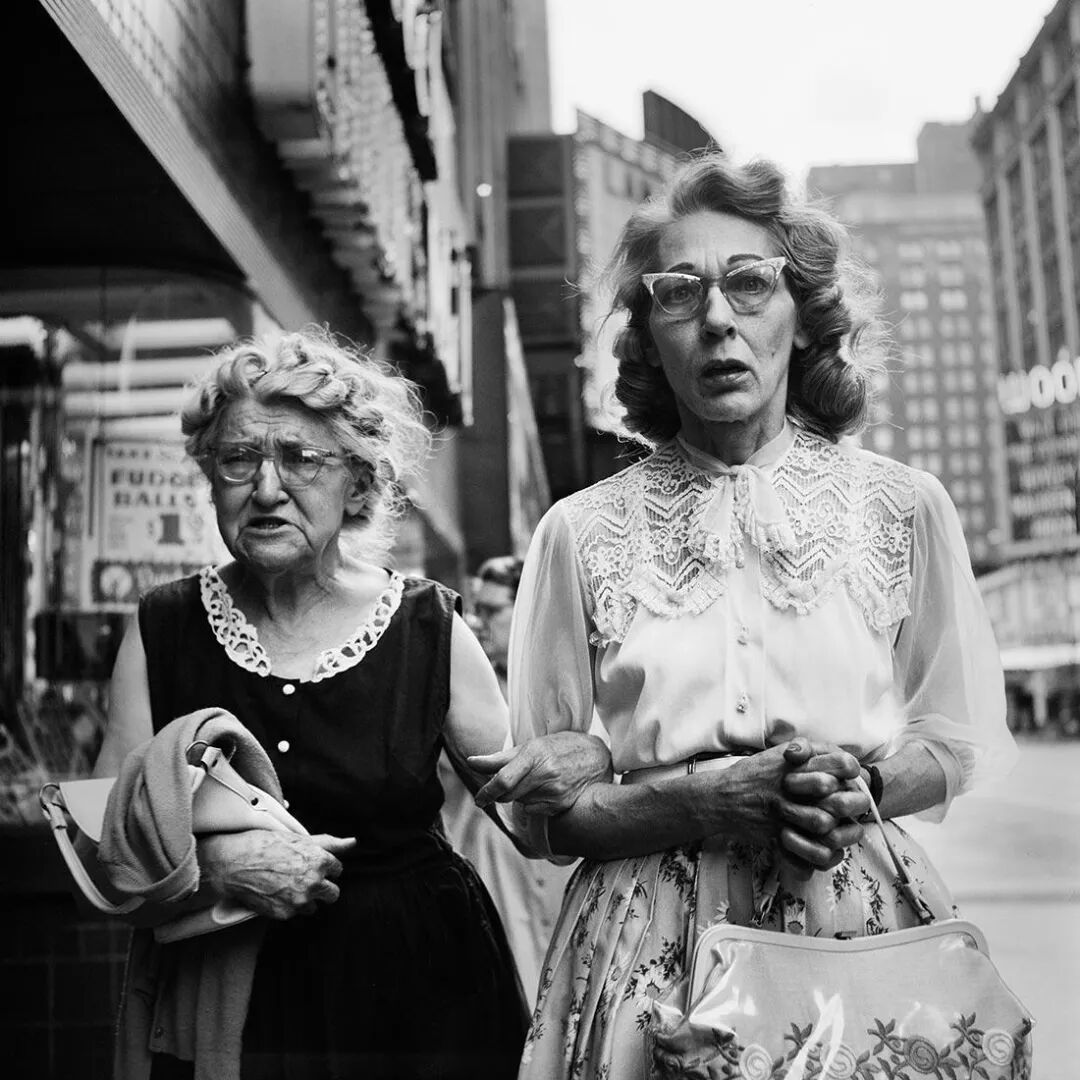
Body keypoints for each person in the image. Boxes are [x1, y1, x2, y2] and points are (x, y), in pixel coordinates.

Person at [476, 154, 1018, 1079]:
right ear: (648, 336)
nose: (718, 318)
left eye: (750, 283)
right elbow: (545, 820)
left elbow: (955, 740)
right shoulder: (579, 531)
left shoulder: (901, 506)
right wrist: (699, 798)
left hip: (846, 924)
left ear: (802, 316)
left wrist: (858, 789)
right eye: (679, 293)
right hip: (644, 943)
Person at [93, 327, 611, 1080]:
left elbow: (533, 824)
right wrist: (215, 869)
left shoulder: (426, 626)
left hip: (419, 1006)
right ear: (211, 478)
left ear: (360, 486)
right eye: (238, 459)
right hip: (231, 1012)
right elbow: (97, 833)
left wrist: (586, 755)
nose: (265, 488)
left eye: (300, 459)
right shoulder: (162, 628)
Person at [437, 556, 581, 1005]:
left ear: (525, 609)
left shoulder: (558, 685)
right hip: (492, 860)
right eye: (475, 610)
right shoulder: (463, 687)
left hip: (554, 859)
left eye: (491, 610)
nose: (477, 621)